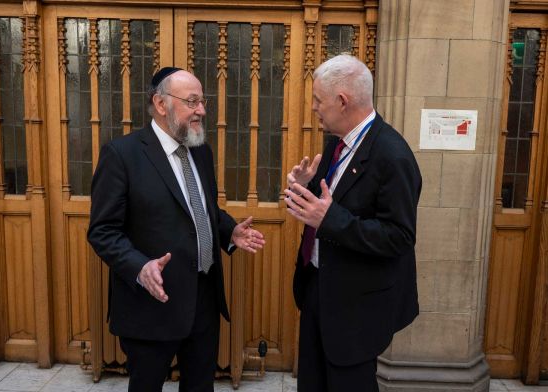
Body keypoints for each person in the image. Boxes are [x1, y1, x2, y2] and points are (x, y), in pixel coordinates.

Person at [87, 67, 265, 392]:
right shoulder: (122, 155)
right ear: (160, 103)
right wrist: (140, 267)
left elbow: (202, 208)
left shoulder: (201, 151)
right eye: (192, 102)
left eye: (203, 101)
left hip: (203, 301)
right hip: (152, 304)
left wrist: (229, 232)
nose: (202, 110)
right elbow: (102, 231)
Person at [284, 54, 422, 392]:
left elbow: (399, 237)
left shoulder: (393, 156)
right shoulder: (338, 141)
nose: (314, 107)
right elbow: (337, 198)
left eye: (318, 100)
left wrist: (330, 219)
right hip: (320, 288)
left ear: (342, 101)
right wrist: (305, 187)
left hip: (357, 310)